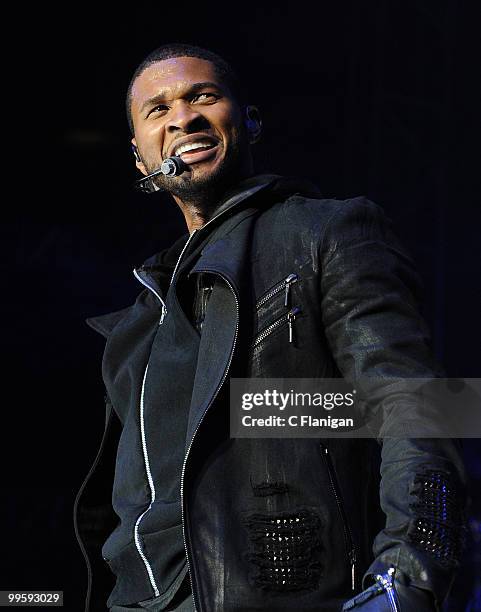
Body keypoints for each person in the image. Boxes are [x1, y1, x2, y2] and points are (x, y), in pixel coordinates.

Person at [74, 44, 467, 612]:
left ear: (250, 120)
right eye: (157, 110)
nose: (183, 116)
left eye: (202, 96)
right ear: (140, 159)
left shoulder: (326, 232)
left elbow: (422, 402)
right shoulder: (139, 323)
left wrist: (410, 578)